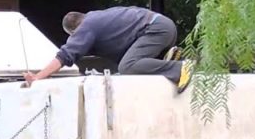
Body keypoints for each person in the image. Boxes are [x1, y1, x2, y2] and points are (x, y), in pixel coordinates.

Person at [23, 6, 191, 93]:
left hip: (155, 30)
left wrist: (38, 77)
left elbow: (65, 55)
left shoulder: (86, 26)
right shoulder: (99, 18)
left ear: (74, 32)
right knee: (128, 64)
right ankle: (165, 59)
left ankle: (179, 68)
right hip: (163, 27)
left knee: (127, 66)